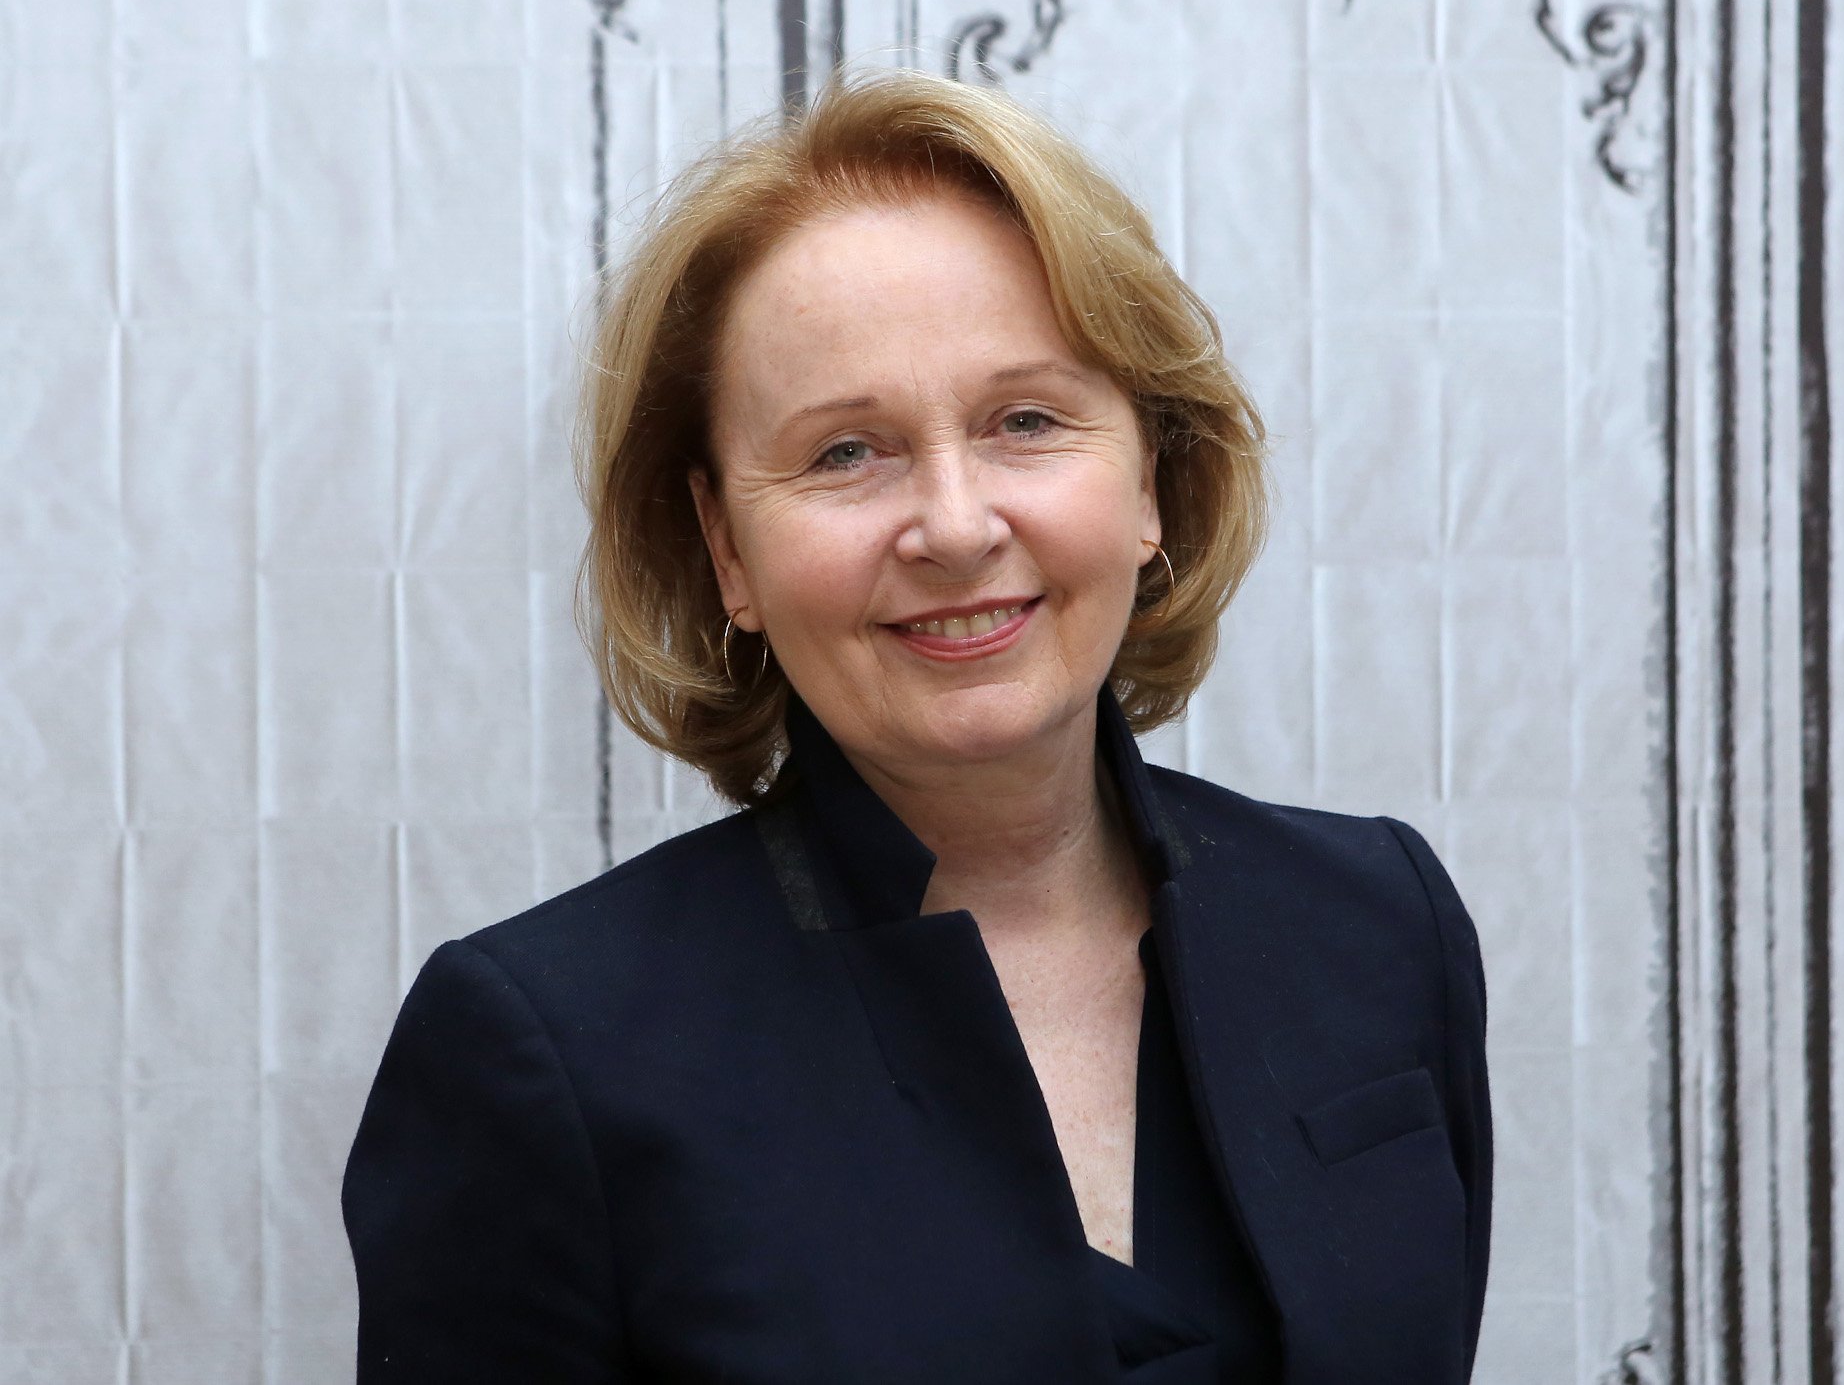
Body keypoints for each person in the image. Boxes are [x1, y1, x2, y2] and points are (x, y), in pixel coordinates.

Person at [342, 68, 1491, 1384]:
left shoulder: (1378, 923)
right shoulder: (540, 1053)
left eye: (1026, 420)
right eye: (847, 451)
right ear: (727, 549)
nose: (953, 524)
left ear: (1152, 481)